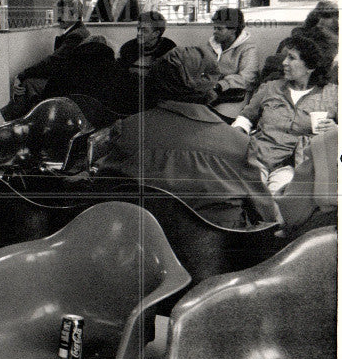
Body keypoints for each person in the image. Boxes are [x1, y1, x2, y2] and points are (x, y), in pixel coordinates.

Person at [97, 46, 277, 229]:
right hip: (213, 252)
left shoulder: (128, 129)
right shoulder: (240, 145)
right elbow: (266, 216)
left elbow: (104, 193)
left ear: (158, 80)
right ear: (212, 84)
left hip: (140, 245)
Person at [232, 30, 338, 195]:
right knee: (249, 194)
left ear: (310, 66)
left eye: (292, 58)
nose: (284, 63)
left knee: (280, 199)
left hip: (295, 166)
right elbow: (245, 118)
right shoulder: (271, 87)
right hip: (258, 157)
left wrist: (336, 129)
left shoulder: (333, 94)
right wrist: (236, 137)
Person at [1, 0, 89, 122]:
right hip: (71, 82)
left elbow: (53, 62)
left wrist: (22, 75)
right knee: (31, 85)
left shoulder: (74, 36)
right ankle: (23, 121)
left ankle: (14, 123)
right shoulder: (80, 32)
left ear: (74, 15)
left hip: (67, 85)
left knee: (27, 85)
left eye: (61, 13)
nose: (58, 17)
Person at [112, 10, 177, 115]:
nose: (138, 34)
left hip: (158, 103)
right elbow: (119, 78)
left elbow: (168, 83)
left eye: (144, 31)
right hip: (130, 99)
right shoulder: (128, 48)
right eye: (138, 29)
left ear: (156, 34)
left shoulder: (169, 50)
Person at [199, 7, 259, 118]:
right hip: (211, 90)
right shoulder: (212, 43)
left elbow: (248, 77)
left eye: (219, 29)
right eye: (214, 28)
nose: (215, 32)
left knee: (215, 118)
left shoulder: (248, 48)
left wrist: (221, 85)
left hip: (236, 94)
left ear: (233, 30)